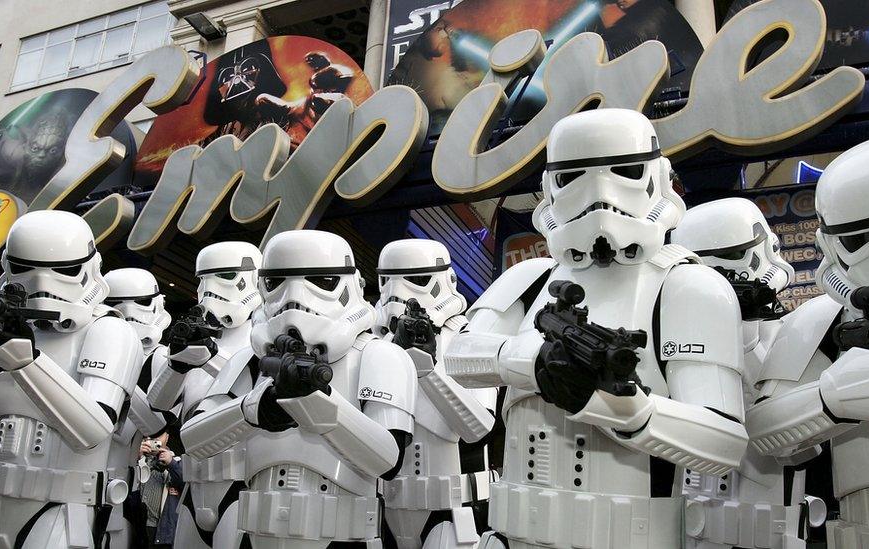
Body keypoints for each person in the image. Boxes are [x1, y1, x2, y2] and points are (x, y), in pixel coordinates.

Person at [444, 109, 749, 549]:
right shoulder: (531, 278)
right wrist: (528, 362)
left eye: (623, 171)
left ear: (657, 179)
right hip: (513, 534)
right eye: (574, 177)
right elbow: (456, 357)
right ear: (549, 187)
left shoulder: (687, 285)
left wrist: (625, 409)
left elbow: (724, 447)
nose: (600, 193)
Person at [747, 131, 869, 548]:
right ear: (831, 247)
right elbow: (765, 437)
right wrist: (843, 396)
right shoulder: (820, 321)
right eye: (866, 238)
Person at [181, 229, 418, 548]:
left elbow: (388, 462)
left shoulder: (378, 355)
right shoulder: (252, 360)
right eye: (275, 282)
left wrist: (322, 406)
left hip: (343, 537)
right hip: (254, 534)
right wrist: (252, 409)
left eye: (320, 282)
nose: (294, 298)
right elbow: (193, 441)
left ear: (347, 285)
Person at [0, 210, 144, 548]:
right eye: (24, 269)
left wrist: (26, 363)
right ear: (7, 265)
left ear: (89, 267)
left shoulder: (109, 329)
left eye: (63, 270)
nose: (42, 284)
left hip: (62, 510)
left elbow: (92, 430)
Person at [671, 198, 825, 548]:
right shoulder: (677, 339)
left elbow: (795, 447)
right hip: (690, 518)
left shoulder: (794, 333)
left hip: (767, 522)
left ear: (768, 248)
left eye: (733, 256)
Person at [374, 239, 497, 548]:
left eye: (415, 280)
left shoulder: (469, 338)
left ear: (446, 280)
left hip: (455, 510)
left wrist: (428, 371)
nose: (397, 294)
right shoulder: (377, 347)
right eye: (386, 281)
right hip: (386, 507)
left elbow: (478, 428)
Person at [147, 241, 262, 549]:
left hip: (242, 483)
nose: (209, 288)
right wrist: (177, 365)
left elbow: (254, 397)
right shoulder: (199, 337)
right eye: (202, 279)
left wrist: (209, 358)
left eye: (223, 275)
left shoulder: (263, 337)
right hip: (193, 482)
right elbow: (158, 407)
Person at [103, 268, 176, 549]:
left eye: (140, 303)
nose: (129, 315)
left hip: (126, 484)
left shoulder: (161, 359)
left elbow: (163, 424)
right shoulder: (84, 345)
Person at [138, 434, 184, 549]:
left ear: (167, 437)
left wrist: (171, 463)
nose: (154, 439)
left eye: (159, 436)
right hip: (139, 525)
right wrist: (137, 458)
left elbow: (186, 484)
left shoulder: (177, 462)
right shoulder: (140, 459)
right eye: (150, 436)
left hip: (161, 529)